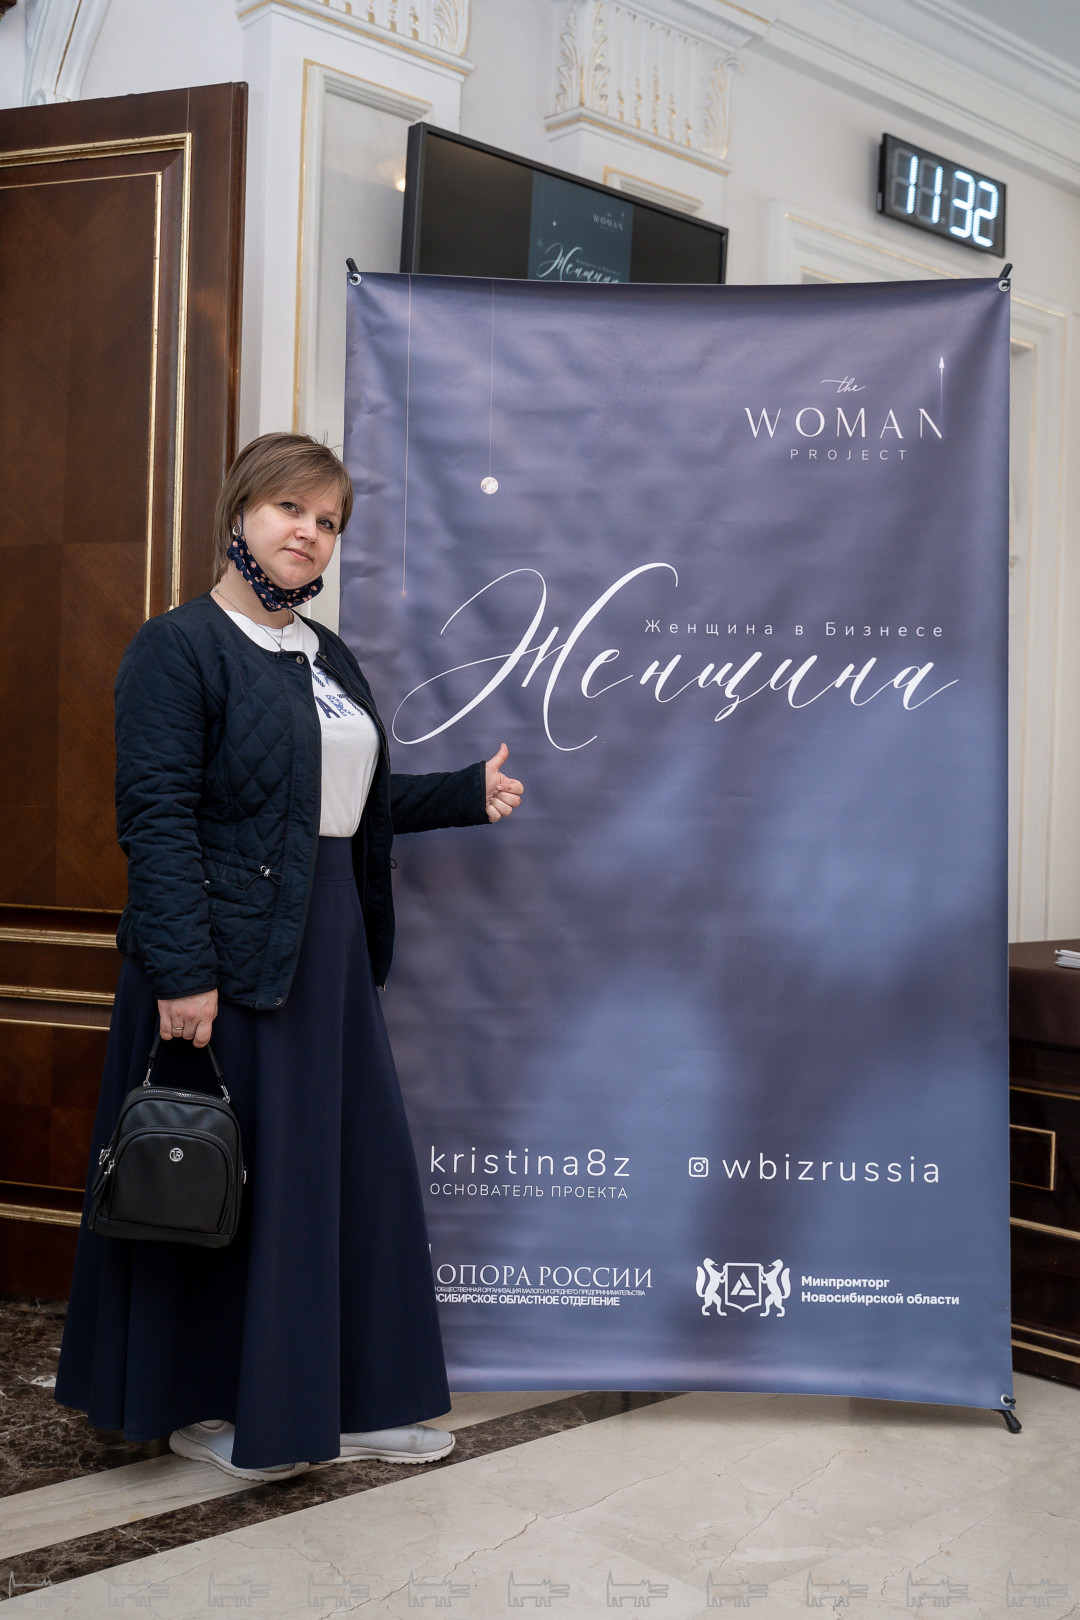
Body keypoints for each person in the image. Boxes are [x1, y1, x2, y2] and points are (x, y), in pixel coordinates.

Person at [55, 432, 523, 1481]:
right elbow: (156, 819)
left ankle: (347, 1403)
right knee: (227, 1185)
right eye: (290, 510)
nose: (310, 533)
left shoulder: (326, 654)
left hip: (328, 952)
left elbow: (341, 801)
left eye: (329, 521)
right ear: (241, 513)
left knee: (337, 1182)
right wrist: (184, 972)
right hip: (224, 959)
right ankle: (214, 1408)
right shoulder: (178, 647)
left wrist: (461, 793)